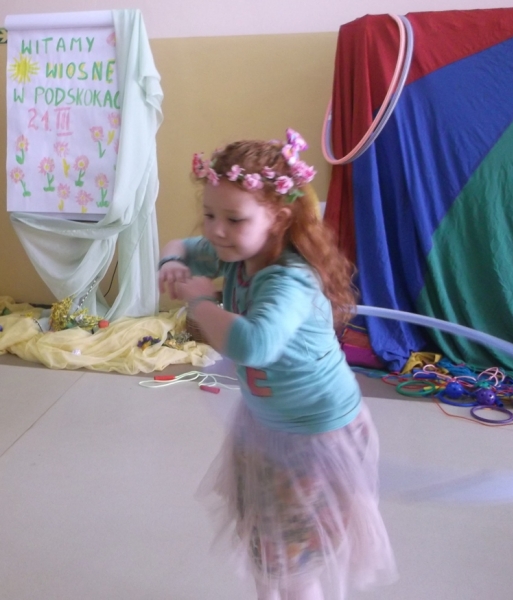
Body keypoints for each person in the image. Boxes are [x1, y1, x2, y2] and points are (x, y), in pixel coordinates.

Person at [158, 129, 396, 600]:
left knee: (295, 566)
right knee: (269, 550)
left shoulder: (288, 280)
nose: (216, 230)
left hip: (316, 438)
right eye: (210, 214)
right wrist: (170, 262)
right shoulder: (235, 251)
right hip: (266, 426)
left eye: (234, 219)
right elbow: (179, 244)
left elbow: (254, 345)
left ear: (278, 218)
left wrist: (200, 302)